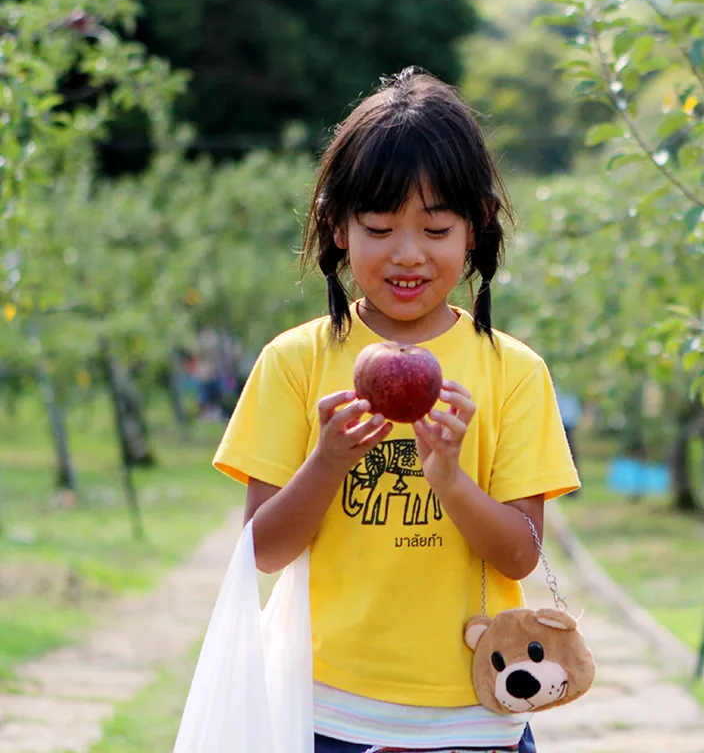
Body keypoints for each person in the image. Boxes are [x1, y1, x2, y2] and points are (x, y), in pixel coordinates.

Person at [213, 68, 579, 753]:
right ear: (338, 226)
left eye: (436, 228)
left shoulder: (514, 372)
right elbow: (262, 551)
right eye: (380, 227)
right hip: (327, 713)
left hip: (475, 715)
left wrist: (450, 479)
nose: (408, 254)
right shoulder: (296, 361)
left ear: (476, 227)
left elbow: (520, 555)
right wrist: (327, 461)